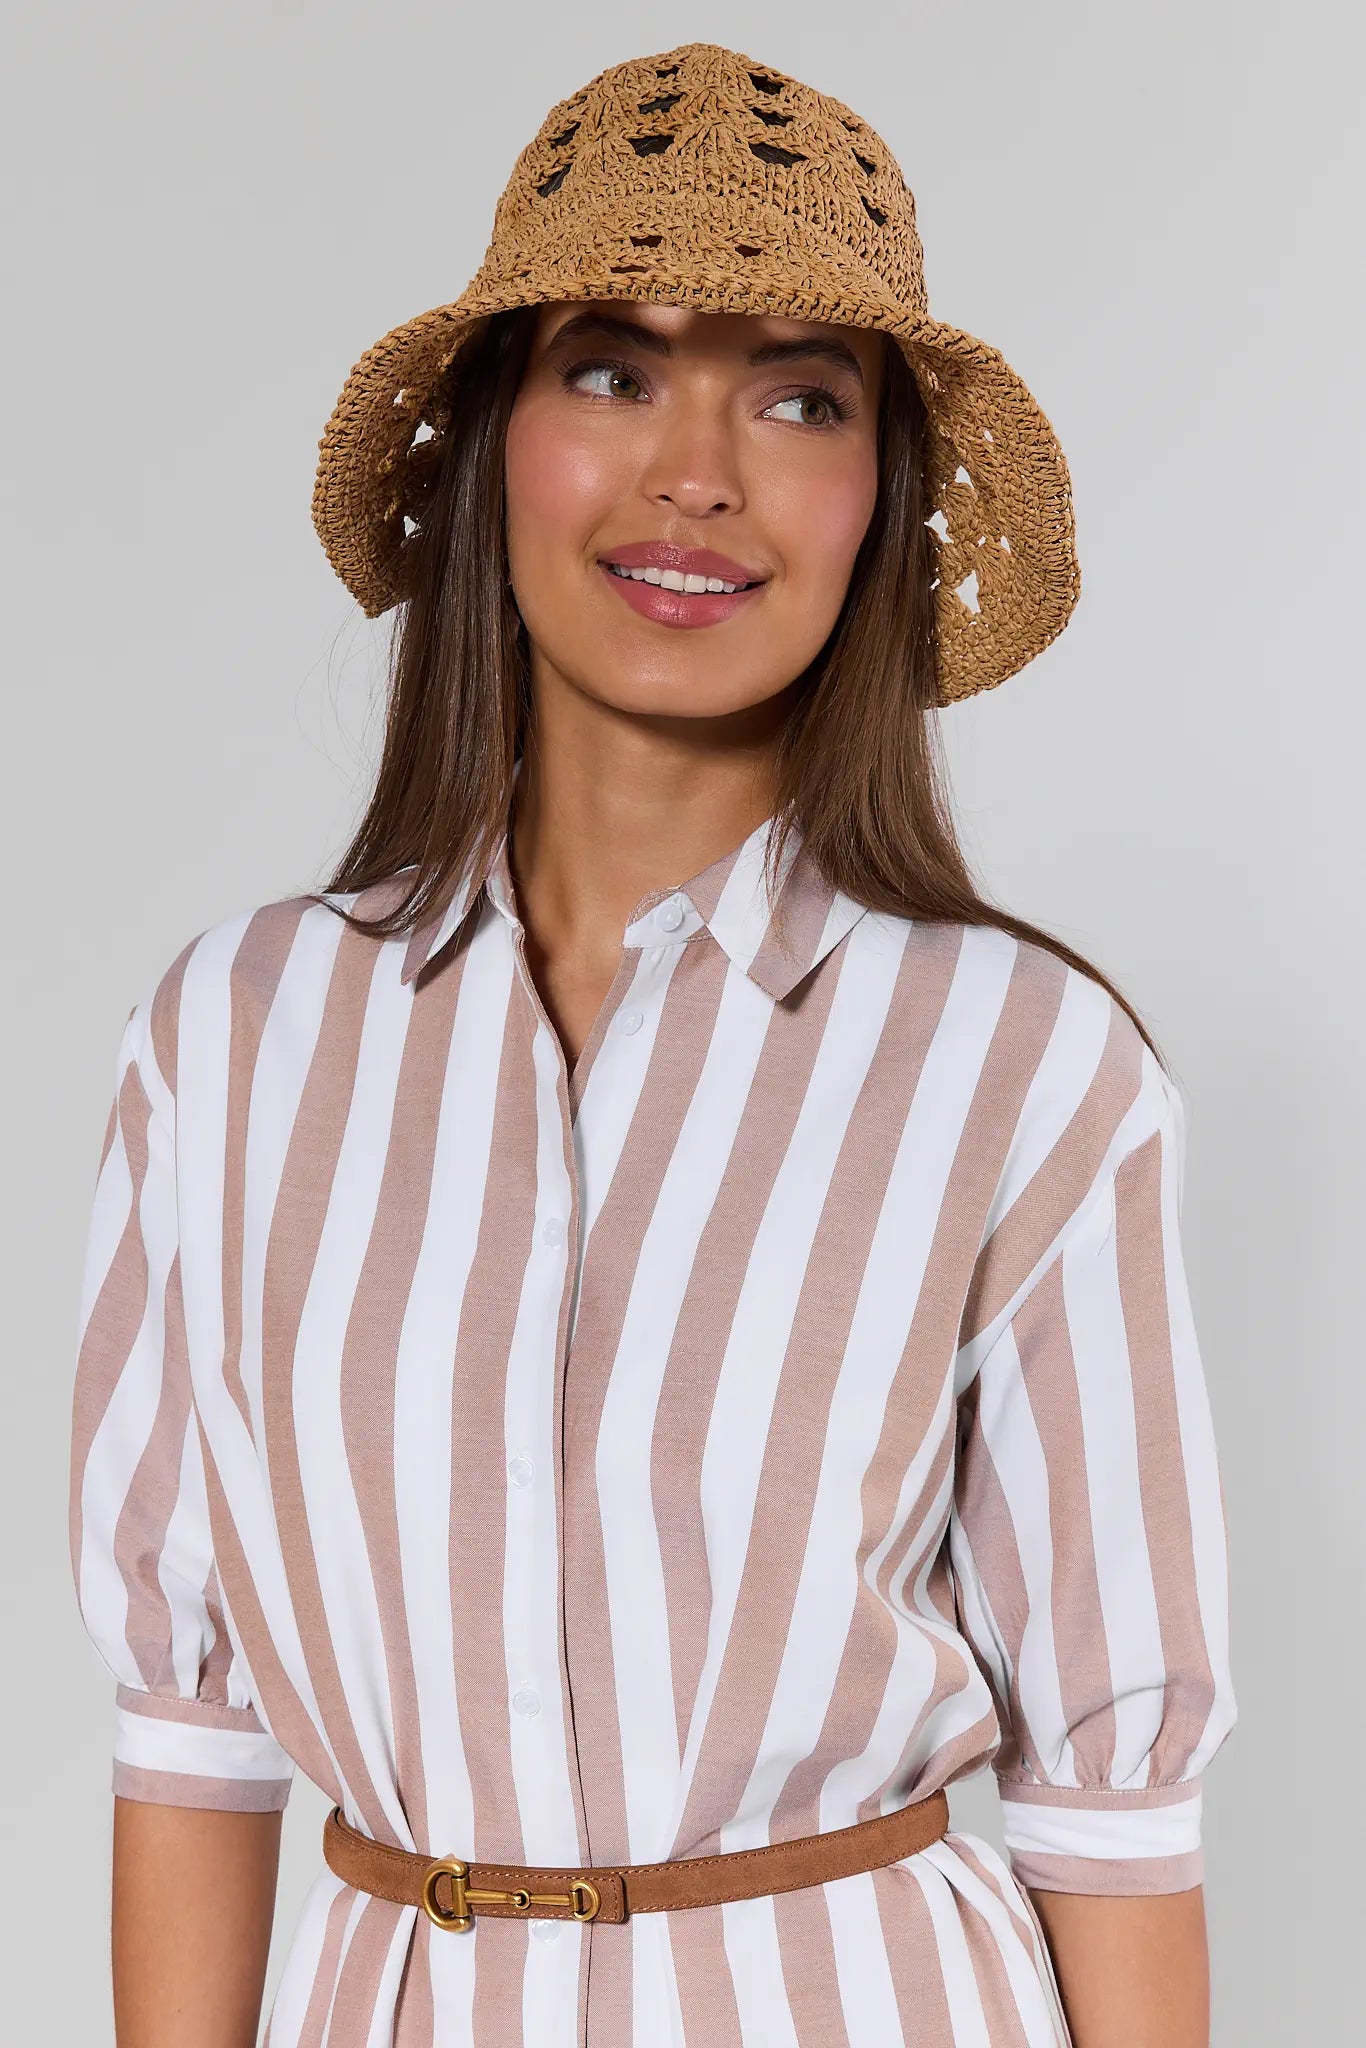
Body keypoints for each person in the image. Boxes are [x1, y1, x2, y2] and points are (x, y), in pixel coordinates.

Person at [67, 40, 1236, 2048]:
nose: (694, 468)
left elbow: (1108, 1802)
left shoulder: (1024, 1066)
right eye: (610, 367)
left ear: (879, 498)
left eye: (797, 396)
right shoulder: (235, 1043)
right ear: (491, 435)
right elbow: (190, 1730)